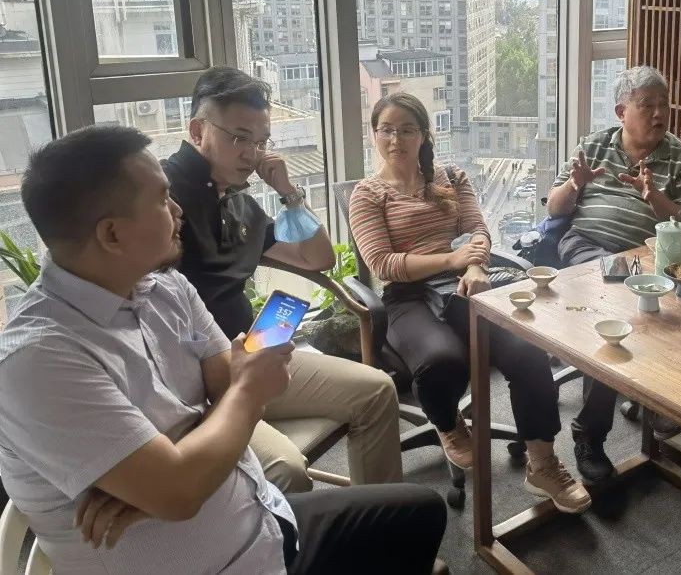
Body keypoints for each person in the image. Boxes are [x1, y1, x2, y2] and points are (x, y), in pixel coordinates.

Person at [0, 126, 446, 575]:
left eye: (262, 138)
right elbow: (190, 472)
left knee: (422, 511)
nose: (176, 210)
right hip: (224, 563)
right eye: (162, 200)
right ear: (112, 234)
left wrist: (166, 482)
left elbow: (227, 387)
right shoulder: (38, 362)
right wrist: (181, 473)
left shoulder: (166, 285)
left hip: (266, 522)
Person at [349, 92, 592, 515]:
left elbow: (478, 230)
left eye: (406, 130)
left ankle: (543, 463)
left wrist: (475, 265)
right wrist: (451, 259)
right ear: (374, 134)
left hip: (464, 283)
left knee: (526, 351)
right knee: (442, 360)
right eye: (386, 130)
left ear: (424, 135)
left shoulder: (451, 177)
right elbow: (383, 264)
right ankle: (447, 423)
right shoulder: (368, 194)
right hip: (408, 295)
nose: (396, 139)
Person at [163, 67, 402, 492]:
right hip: (192, 383)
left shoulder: (237, 203)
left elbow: (318, 258)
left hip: (255, 354)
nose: (252, 154)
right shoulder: (162, 199)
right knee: (286, 468)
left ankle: (378, 522)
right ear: (198, 131)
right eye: (240, 138)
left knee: (378, 390)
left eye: (261, 142)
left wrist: (289, 193)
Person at [546, 65, 681, 484]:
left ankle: (656, 396)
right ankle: (592, 434)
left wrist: (656, 199)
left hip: (651, 257)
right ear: (622, 111)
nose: (659, 114)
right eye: (646, 105)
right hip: (585, 245)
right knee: (618, 307)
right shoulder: (593, 145)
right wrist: (574, 186)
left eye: (664, 105)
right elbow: (554, 208)